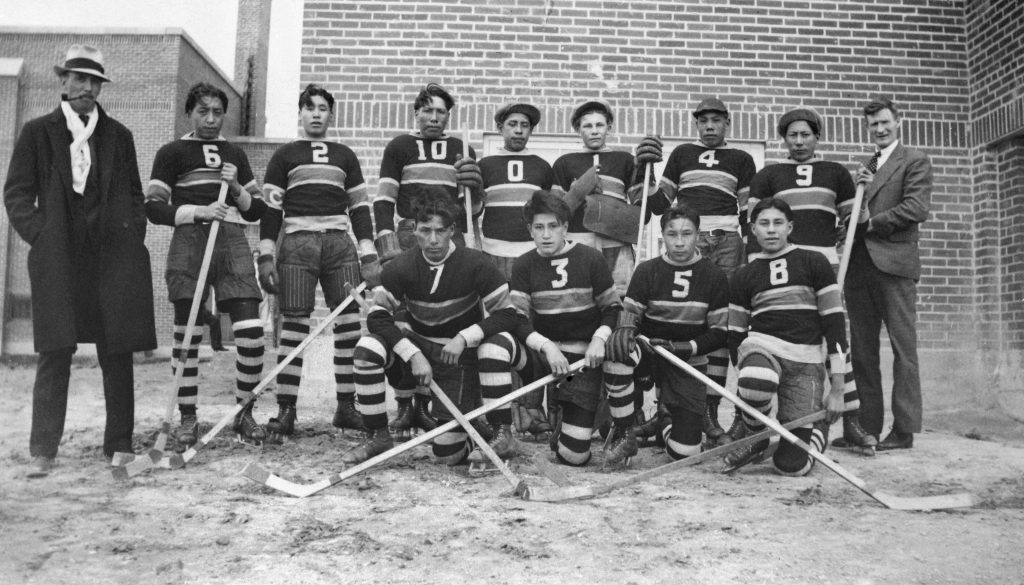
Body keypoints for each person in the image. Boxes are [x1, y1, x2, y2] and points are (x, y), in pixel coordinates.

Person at [3, 45, 157, 477]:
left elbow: (134, 195)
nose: (88, 88)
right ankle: (43, 450)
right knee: (55, 351)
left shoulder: (118, 136)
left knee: (117, 348)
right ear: (63, 82)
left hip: (110, 259)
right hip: (59, 259)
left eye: (95, 81)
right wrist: (41, 235)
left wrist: (132, 235)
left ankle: (120, 445)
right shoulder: (38, 132)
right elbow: (16, 194)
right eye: (80, 78)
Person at [342, 192, 525, 467]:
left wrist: (465, 337)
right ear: (414, 229)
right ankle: (377, 434)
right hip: (420, 353)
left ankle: (490, 431)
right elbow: (377, 318)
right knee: (367, 348)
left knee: (448, 456)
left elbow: (508, 316)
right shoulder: (400, 267)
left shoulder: (476, 263)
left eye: (441, 231)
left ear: (453, 230)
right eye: (425, 230)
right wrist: (412, 354)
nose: (433, 239)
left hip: (459, 358)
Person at [145, 82, 269, 450]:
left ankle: (244, 413)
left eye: (217, 112)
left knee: (250, 330)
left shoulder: (234, 153)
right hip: (191, 241)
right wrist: (198, 211)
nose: (211, 119)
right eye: (203, 111)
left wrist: (235, 189)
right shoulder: (171, 153)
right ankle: (187, 419)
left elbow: (257, 209)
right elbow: (153, 208)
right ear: (190, 113)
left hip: (231, 239)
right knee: (187, 335)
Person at [746, 108, 876, 452]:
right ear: (784, 138)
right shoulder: (769, 174)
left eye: (806, 135)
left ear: (817, 136)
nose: (799, 142)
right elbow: (756, 223)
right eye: (792, 135)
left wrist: (862, 202)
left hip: (826, 267)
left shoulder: (835, 173)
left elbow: (856, 226)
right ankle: (750, 420)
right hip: (780, 268)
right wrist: (753, 268)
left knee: (834, 336)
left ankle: (850, 419)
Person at [257, 84, 380, 439]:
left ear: (331, 114)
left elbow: (359, 208)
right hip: (297, 244)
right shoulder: (284, 155)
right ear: (300, 112)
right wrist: (267, 254)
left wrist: (368, 252)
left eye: (322, 108)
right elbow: (270, 211)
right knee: (294, 325)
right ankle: (286, 409)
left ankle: (346, 405)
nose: (315, 113)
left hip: (340, 244)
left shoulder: (345, 155)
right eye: (309, 107)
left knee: (349, 325)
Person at [640, 97, 758, 446]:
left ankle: (709, 411)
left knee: (718, 324)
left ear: (727, 123)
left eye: (716, 120)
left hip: (725, 243)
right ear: (696, 124)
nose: (709, 126)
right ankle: (665, 411)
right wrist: (644, 172)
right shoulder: (682, 155)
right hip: (687, 240)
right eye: (703, 120)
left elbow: (747, 210)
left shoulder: (741, 159)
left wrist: (751, 252)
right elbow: (660, 202)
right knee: (675, 319)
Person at [506, 190, 637, 467]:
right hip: (548, 357)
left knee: (574, 456)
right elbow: (516, 318)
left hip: (585, 359)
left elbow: (612, 308)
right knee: (571, 456)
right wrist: (547, 346)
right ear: (530, 229)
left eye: (553, 226)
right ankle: (552, 413)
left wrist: (599, 339)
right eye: (538, 227)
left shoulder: (590, 258)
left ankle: (613, 419)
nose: (546, 234)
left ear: (565, 227)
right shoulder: (524, 264)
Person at [723, 198, 847, 475]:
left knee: (792, 467)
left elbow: (835, 326)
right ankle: (758, 436)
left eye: (778, 223)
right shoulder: (744, 276)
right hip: (763, 349)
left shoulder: (814, 262)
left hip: (805, 361)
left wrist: (838, 389)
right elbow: (735, 334)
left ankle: (816, 427)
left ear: (790, 227)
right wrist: (747, 391)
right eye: (764, 224)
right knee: (757, 377)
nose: (771, 230)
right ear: (753, 229)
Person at [605, 205, 729, 460]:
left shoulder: (714, 275)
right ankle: (625, 431)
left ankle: (665, 421)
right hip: (650, 354)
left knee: (685, 453)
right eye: (672, 235)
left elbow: (718, 333)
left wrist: (685, 348)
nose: (680, 242)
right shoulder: (647, 270)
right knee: (618, 350)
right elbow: (630, 318)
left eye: (687, 234)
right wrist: (627, 328)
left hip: (687, 360)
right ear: (663, 235)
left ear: (698, 235)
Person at [844, 97, 931, 451]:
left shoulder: (914, 160)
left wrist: (870, 222)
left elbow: (916, 208)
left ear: (898, 121)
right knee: (862, 350)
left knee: (902, 349)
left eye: (884, 122)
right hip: (859, 266)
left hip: (894, 265)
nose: (879, 129)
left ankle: (905, 430)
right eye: (873, 125)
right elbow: (857, 215)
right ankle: (867, 427)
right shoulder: (868, 165)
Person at [478, 102, 554, 438]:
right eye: (512, 124)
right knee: (499, 332)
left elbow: (548, 213)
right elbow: (474, 208)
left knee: (529, 330)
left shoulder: (541, 167)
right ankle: (503, 408)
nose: (519, 130)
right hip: (493, 256)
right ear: (500, 128)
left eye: (525, 125)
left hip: (529, 259)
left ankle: (532, 407)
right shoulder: (485, 165)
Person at [373, 83, 483, 259]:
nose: (434, 118)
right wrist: (388, 247)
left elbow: (470, 212)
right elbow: (384, 201)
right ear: (416, 114)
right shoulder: (400, 146)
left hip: (450, 232)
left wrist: (476, 191)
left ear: (448, 116)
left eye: (440, 112)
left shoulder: (462, 149)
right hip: (411, 232)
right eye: (427, 111)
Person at [550, 99, 647, 297]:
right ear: (578, 129)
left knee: (619, 295)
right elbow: (555, 213)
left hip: (616, 243)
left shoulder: (625, 160)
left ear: (609, 127)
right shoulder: (564, 163)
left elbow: (642, 212)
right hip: (578, 241)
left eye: (599, 125)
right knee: (580, 296)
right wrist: (578, 192)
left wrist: (646, 174)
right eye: (587, 126)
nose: (594, 131)